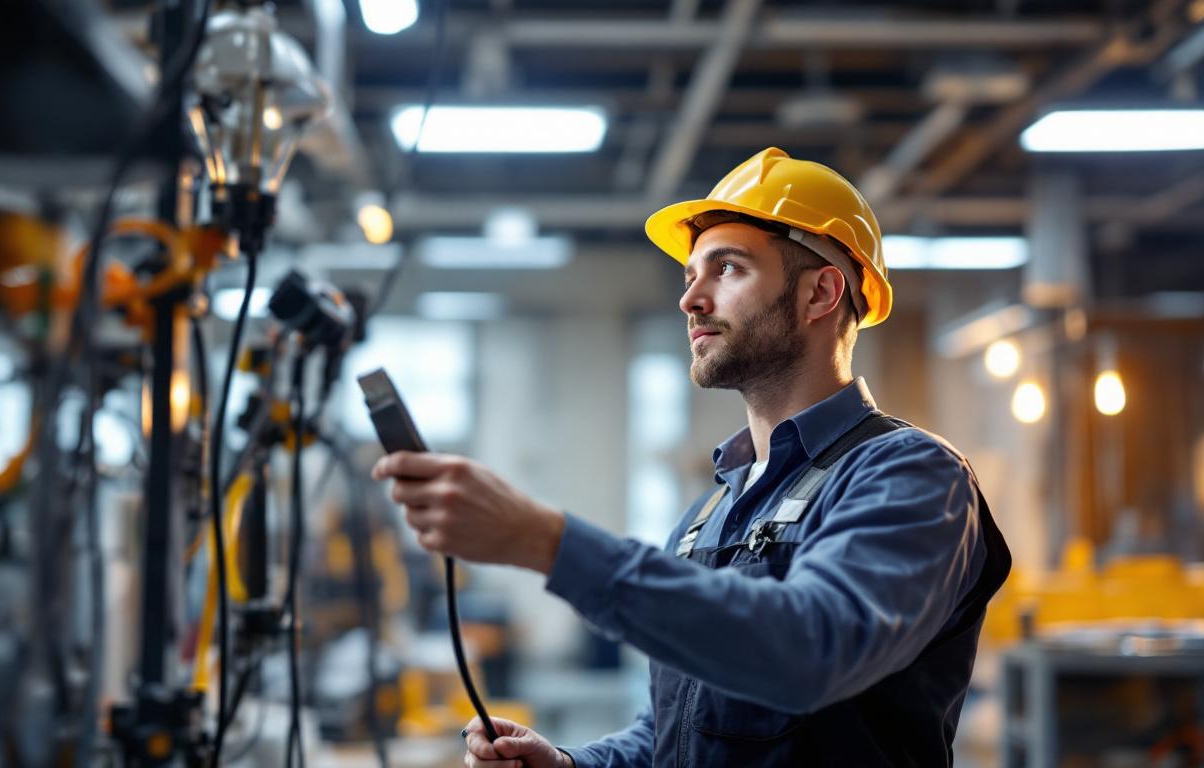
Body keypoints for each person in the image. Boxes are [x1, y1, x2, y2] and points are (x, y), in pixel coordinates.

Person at [371, 147, 1011, 767]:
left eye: (727, 268)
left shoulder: (908, 475)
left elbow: (811, 651)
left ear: (820, 294)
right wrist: (573, 764)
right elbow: (680, 729)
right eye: (690, 275)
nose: (690, 299)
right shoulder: (710, 512)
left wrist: (543, 539)